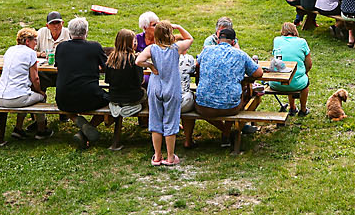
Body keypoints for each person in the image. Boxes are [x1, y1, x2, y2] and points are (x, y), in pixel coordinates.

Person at [138, 18, 194, 167]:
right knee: (171, 121)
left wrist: (150, 65)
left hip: (156, 88)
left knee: (155, 121)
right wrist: (178, 26)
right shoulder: (176, 48)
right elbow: (190, 38)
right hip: (172, 89)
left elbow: (138, 61)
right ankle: (170, 157)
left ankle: (157, 156)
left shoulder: (152, 49)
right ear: (171, 33)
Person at [193, 24, 259, 141]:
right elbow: (258, 73)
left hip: (203, 107)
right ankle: (227, 131)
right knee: (244, 94)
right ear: (233, 42)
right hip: (230, 107)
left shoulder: (206, 50)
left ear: (218, 40)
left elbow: (196, 65)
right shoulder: (240, 55)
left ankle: (225, 131)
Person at [52, 16, 108, 148]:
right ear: (86, 32)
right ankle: (88, 128)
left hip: (63, 99)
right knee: (112, 101)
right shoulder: (94, 47)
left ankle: (77, 121)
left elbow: (59, 66)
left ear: (70, 32)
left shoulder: (61, 47)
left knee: (64, 104)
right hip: (90, 98)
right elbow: (106, 67)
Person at [103, 28, 146, 149]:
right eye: (134, 41)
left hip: (114, 96)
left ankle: (117, 109)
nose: (136, 43)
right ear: (129, 43)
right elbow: (140, 82)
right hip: (133, 97)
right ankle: (145, 122)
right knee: (146, 93)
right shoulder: (135, 60)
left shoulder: (111, 59)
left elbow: (107, 80)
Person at [267, 22, 313, 115]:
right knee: (303, 81)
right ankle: (303, 109)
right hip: (297, 83)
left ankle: (292, 107)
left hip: (276, 83)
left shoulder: (277, 40)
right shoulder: (302, 42)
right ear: (295, 31)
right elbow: (309, 64)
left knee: (287, 74)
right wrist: (305, 72)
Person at [0, 27, 46, 110]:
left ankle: (19, 122)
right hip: (16, 98)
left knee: (28, 94)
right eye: (35, 40)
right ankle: (41, 122)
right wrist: (39, 91)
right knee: (41, 97)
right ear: (27, 41)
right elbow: (35, 78)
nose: (36, 43)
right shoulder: (31, 53)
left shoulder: (10, 50)